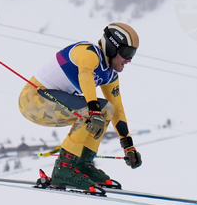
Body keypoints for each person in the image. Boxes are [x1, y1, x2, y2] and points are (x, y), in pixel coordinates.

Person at [18, 23, 143, 191]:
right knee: (97, 111)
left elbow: (118, 109)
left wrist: (128, 146)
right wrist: (93, 109)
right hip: (32, 100)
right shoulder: (88, 53)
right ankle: (63, 169)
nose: (129, 59)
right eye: (127, 53)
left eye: (133, 53)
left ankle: (82, 165)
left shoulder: (110, 74)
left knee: (106, 110)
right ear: (112, 48)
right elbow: (85, 75)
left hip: (50, 105)